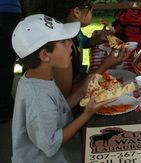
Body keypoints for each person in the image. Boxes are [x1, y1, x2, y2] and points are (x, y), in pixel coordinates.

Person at [11, 14, 115, 163]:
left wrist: (83, 89)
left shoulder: (39, 77)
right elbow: (51, 144)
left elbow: (59, 109)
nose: (71, 45)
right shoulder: (37, 97)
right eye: (64, 41)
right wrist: (87, 114)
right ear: (45, 55)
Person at [28, 0, 128, 97]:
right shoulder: (59, 47)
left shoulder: (73, 32)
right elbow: (66, 97)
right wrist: (106, 64)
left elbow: (83, 43)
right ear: (76, 12)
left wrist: (100, 38)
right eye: (90, 5)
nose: (92, 9)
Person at [0, 0, 22, 123]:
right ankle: (3, 107)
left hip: (9, 11)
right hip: (8, 12)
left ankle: (4, 105)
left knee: (6, 63)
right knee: (6, 63)